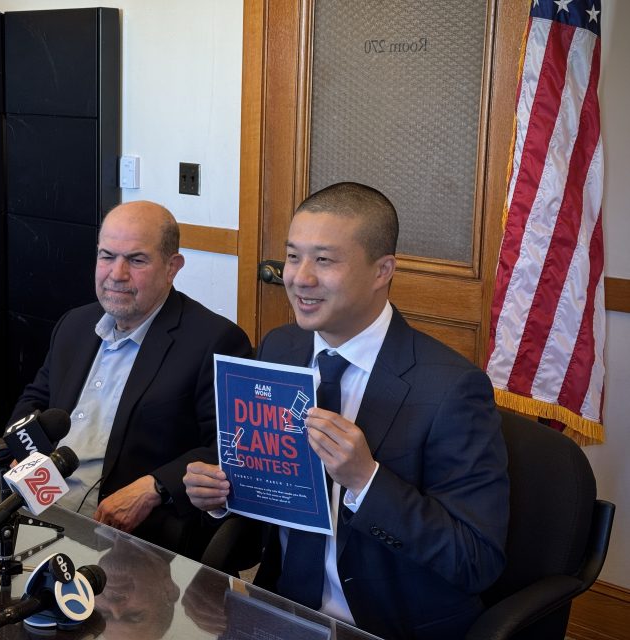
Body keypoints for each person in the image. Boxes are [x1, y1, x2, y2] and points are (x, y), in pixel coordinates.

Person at [183, 182, 509, 639]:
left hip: (386, 625)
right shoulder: (280, 347)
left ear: (382, 271)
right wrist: (220, 497)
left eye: (324, 260)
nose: (299, 278)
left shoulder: (452, 389)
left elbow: (476, 561)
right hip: (279, 610)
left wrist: (366, 480)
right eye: (293, 256)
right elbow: (271, 500)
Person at [10, 200, 252, 558]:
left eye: (136, 260)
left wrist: (155, 486)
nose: (116, 274)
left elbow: (232, 448)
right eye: (107, 256)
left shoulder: (214, 341)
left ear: (172, 267)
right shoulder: (74, 325)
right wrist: (25, 455)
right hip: (40, 507)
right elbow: (33, 401)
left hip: (124, 534)